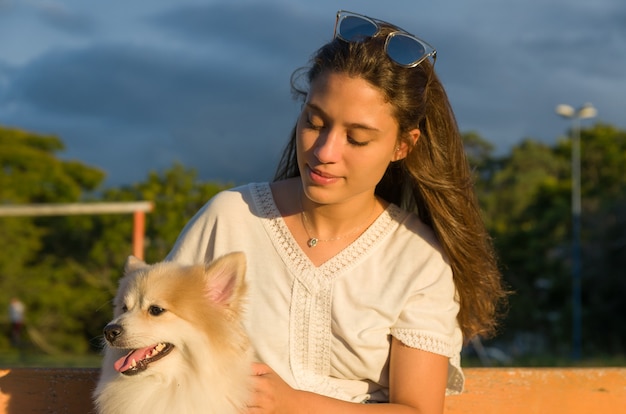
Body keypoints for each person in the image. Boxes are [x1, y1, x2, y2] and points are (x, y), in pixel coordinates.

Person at [166, 10, 507, 414]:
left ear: (403, 146)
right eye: (314, 122)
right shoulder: (228, 220)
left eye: (358, 138)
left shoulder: (418, 261)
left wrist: (291, 403)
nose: (324, 152)